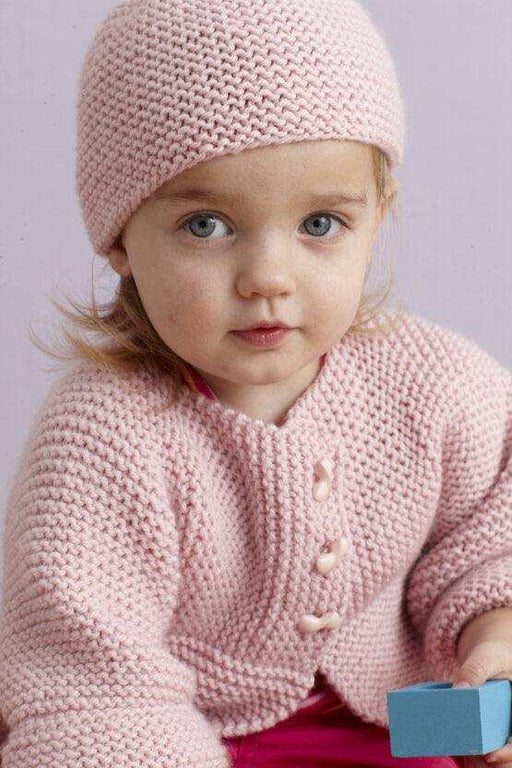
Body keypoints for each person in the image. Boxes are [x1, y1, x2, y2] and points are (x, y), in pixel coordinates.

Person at [0, 0, 510, 766]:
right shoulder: (102, 438)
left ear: (377, 216)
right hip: (173, 743)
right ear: (119, 236)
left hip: (402, 739)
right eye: (206, 225)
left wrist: (493, 639)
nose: (268, 278)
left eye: (320, 224)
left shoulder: (436, 385)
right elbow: (91, 683)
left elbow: (490, 542)